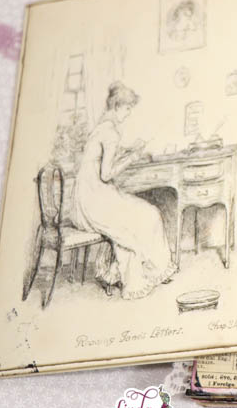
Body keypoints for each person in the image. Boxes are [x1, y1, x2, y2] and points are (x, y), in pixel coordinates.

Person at [71, 82, 176, 298]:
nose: (128, 114)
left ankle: (137, 270)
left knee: (137, 211)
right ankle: (148, 272)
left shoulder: (102, 128)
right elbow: (106, 174)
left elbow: (101, 160)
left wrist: (128, 150)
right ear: (117, 106)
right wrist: (133, 157)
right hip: (95, 199)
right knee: (149, 214)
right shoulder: (111, 132)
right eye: (127, 108)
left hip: (84, 199)